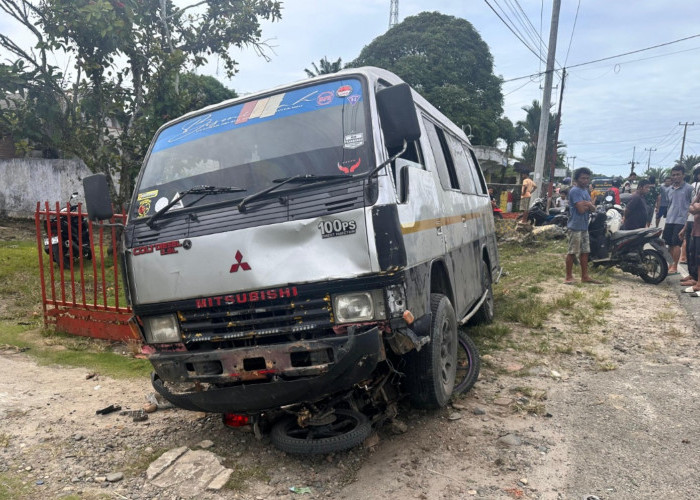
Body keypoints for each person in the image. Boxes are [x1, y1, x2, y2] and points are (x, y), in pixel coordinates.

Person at [564, 167, 601, 284]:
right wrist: (588, 205)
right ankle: (568, 277)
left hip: (584, 226)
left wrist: (588, 204)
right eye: (582, 178)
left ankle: (585, 276)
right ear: (577, 179)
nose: (585, 180)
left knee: (585, 251)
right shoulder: (575, 191)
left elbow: (593, 209)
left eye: (587, 178)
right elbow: (580, 209)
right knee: (572, 252)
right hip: (575, 226)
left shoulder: (585, 191)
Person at [663, 165, 695, 275]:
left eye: (678, 174)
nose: (675, 177)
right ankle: (670, 264)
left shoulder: (689, 189)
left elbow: (692, 204)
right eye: (673, 175)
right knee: (669, 244)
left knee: (677, 244)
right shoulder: (669, 190)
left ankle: (675, 266)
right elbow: (669, 204)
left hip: (681, 221)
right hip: (669, 219)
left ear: (683, 175)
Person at [679, 165, 700, 285]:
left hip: (696, 222)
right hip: (693, 221)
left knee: (697, 253)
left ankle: (696, 278)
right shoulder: (695, 186)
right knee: (691, 250)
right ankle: (693, 275)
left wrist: (695, 207)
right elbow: (691, 206)